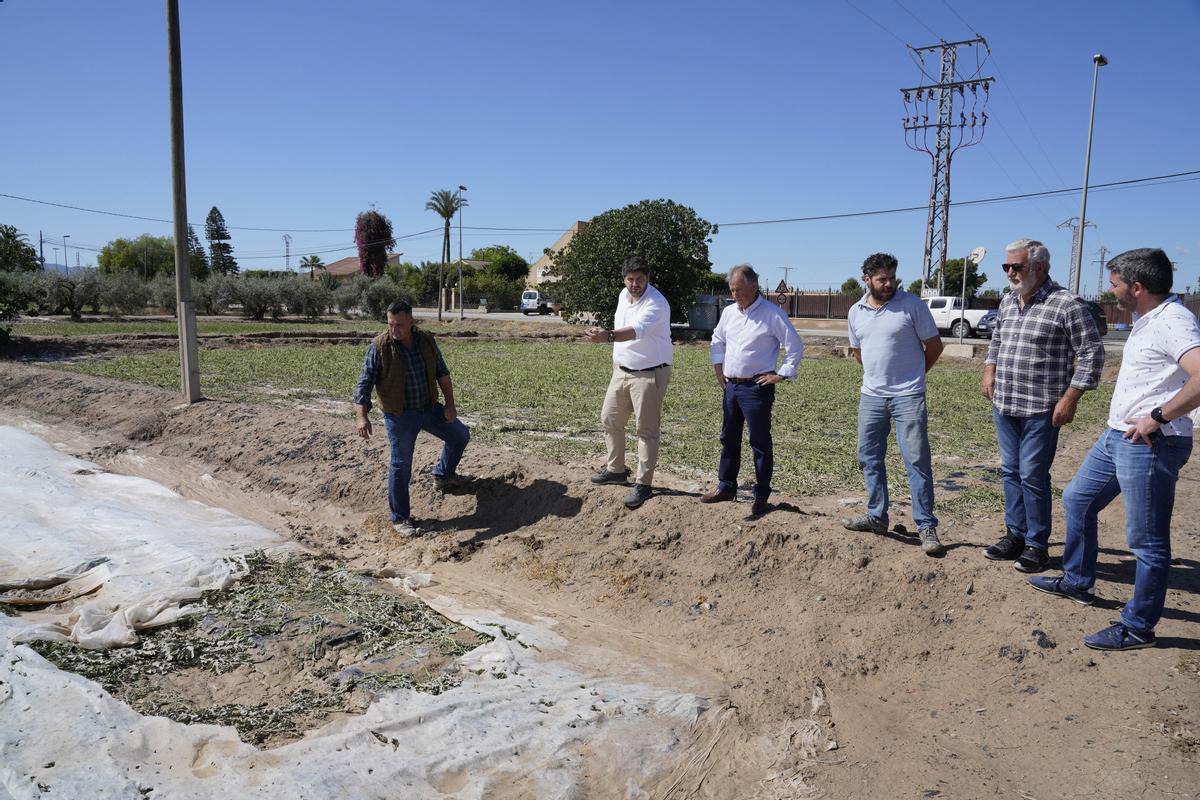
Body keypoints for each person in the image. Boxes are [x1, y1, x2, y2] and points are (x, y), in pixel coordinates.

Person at [1028, 248, 1200, 650]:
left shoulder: (1173, 322)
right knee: (1077, 500)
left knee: (1147, 541)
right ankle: (1077, 581)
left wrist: (1158, 415)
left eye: (1114, 283)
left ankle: (1138, 626)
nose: (1110, 290)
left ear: (1136, 287)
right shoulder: (1148, 319)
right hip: (1117, 437)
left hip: (1152, 443)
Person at [981, 239, 1104, 573]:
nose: (1009, 272)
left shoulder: (1066, 304)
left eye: (1016, 266)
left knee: (1032, 474)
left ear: (1039, 267)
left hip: (1042, 408)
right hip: (1005, 403)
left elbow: (1092, 353)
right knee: (1010, 470)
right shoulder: (1008, 301)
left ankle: (1037, 544)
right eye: (1006, 267)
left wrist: (1070, 398)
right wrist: (989, 372)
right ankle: (1015, 535)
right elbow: (997, 341)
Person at [842, 253, 946, 555]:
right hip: (871, 396)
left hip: (908, 396)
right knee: (868, 456)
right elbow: (858, 351)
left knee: (916, 459)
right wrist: (878, 378)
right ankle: (876, 516)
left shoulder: (912, 305)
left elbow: (935, 346)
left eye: (892, 278)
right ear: (867, 280)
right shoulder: (855, 311)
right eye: (881, 279)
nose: (888, 284)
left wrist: (913, 376)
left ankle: (926, 525)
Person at [354, 300, 471, 537]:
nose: (393, 330)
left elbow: (442, 373)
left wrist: (450, 404)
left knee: (460, 435)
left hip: (428, 408)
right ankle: (400, 519)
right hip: (399, 416)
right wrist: (362, 417)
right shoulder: (379, 347)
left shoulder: (426, 340)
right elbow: (364, 383)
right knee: (401, 465)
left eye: (398, 325)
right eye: (390, 324)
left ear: (411, 321)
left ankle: (443, 476)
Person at [700, 264, 804, 515]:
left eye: (739, 290)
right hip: (731, 386)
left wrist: (780, 374)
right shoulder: (729, 313)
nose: (735, 295)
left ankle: (761, 495)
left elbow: (795, 346)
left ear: (754, 286)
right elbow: (718, 339)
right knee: (728, 438)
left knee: (759, 442)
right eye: (732, 290)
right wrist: (718, 367)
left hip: (756, 388)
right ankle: (726, 486)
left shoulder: (771, 314)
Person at [583, 255, 673, 509]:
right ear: (624, 279)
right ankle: (616, 470)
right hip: (621, 370)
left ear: (647, 279)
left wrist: (608, 336)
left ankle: (644, 484)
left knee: (646, 430)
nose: (635, 284)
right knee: (610, 419)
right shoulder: (623, 296)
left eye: (640, 279)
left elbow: (635, 331)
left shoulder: (656, 303)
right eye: (630, 279)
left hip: (650, 373)